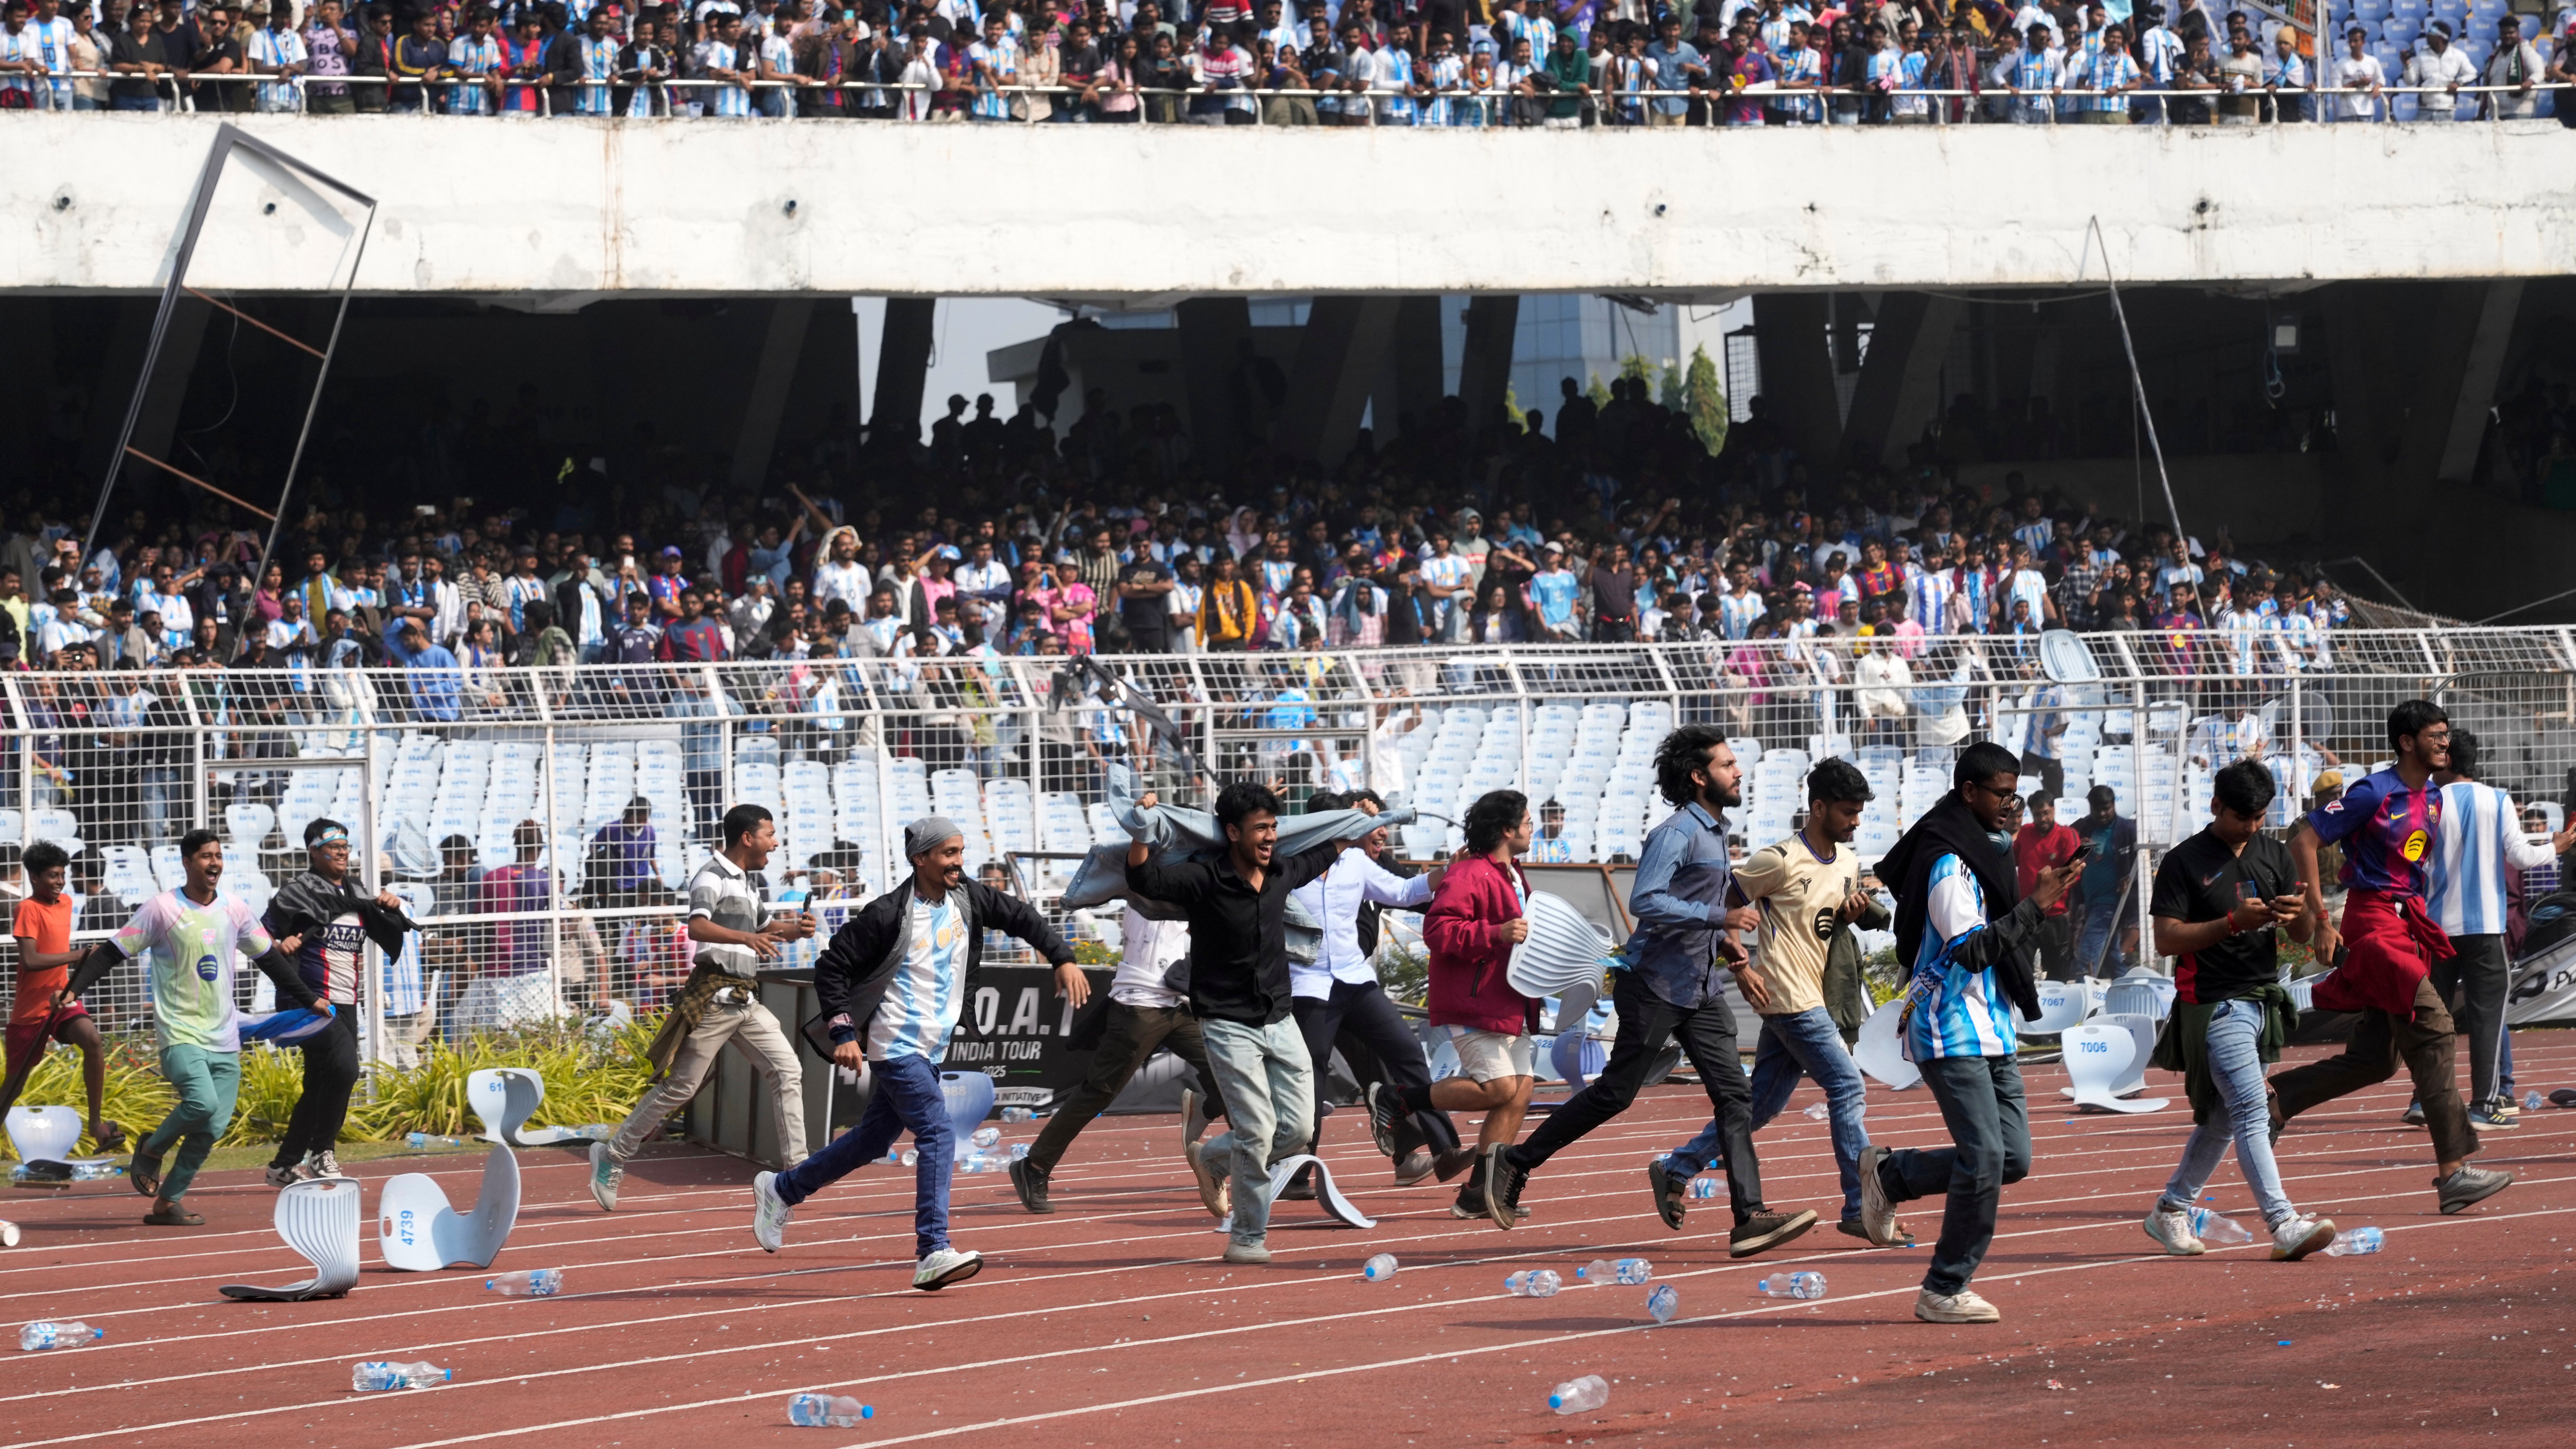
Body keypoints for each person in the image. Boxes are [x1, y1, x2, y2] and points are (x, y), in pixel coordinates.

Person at [1485, 726, 1818, 1256]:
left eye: (1735, 763)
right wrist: (1721, 916)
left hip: (1701, 988)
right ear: (1698, 775)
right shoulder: (1677, 832)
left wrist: (1726, 943)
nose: (1738, 772)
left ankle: (1749, 1216)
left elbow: (1704, 899)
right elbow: (1646, 899)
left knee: (1736, 1096)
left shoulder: (1715, 831)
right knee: (1616, 1094)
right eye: (1727, 764)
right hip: (1655, 986)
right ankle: (1515, 1161)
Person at [751, 816, 1075, 1289]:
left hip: (930, 1047)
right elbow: (832, 967)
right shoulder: (886, 914)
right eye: (948, 854)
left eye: (961, 852)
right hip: (894, 1044)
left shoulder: (969, 896)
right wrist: (844, 1032)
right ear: (919, 858)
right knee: (938, 1130)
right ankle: (933, 1250)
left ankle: (782, 1189)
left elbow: (1023, 916)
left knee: (873, 1139)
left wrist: (1062, 956)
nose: (959, 862)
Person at [1864, 741, 2077, 1323]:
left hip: (1993, 1027)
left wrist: (2039, 900)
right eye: (2003, 795)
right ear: (1969, 793)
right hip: (1948, 1025)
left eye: (2016, 793)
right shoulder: (1948, 864)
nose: (2014, 805)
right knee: (1984, 1157)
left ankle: (1890, 1174)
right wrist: (2037, 905)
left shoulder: (1991, 850)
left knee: (2013, 1159)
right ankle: (1943, 1286)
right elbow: (1974, 949)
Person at [2272, 701, 2512, 1215]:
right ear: (2407, 742)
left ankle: (2273, 1103)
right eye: (2436, 735)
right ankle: (2454, 1171)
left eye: (2448, 735)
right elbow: (2304, 840)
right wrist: (2321, 917)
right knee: (2436, 1025)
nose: (2446, 742)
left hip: (2407, 924)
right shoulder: (2373, 792)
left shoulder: (2435, 799)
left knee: (2376, 1059)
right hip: (2374, 923)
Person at [1657, 759, 1906, 1245]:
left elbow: (1824, 927)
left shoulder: (1850, 863)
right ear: (1818, 807)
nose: (1857, 821)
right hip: (1787, 994)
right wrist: (1740, 963)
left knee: (1763, 1104)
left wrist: (1853, 914)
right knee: (1848, 1087)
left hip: (1812, 993)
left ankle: (1676, 1166)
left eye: (1860, 812)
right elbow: (1725, 903)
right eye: (1848, 812)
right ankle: (1860, 1206)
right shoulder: (1780, 859)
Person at [1125, 782, 1360, 1264]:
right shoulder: (1204, 878)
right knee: (1257, 1130)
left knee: (1295, 1131)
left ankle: (1211, 1157)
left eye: (1274, 826)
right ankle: (1248, 1236)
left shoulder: (1283, 872)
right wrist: (1143, 826)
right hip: (1227, 1022)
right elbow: (1146, 880)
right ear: (1232, 832)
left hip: (1279, 1015)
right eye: (1260, 828)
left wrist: (1360, 820)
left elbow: (1328, 849)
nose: (1270, 836)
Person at [56, 830, 325, 1226]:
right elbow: (111, 953)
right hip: (180, 1034)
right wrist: (72, 991)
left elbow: (270, 959)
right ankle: (153, 1148)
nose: (214, 863)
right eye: (204, 856)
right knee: (202, 1103)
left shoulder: (235, 908)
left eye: (218, 856)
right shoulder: (161, 909)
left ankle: (168, 1201)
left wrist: (309, 999)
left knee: (212, 1127)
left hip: (226, 1037)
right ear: (186, 862)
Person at [2138, 761, 2337, 1262]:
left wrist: (2300, 917)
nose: (2251, 826)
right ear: (2215, 806)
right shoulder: (2185, 861)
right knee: (2251, 1108)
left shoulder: (2275, 854)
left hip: (2262, 1000)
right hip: (2211, 1005)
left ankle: (2171, 1207)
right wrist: (2229, 923)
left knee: (2225, 1119)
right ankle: (2284, 1222)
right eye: (2242, 817)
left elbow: (2299, 937)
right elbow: (2165, 938)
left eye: (2260, 817)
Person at [592, 804, 815, 1212]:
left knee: (788, 1070)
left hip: (746, 1000)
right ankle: (613, 1154)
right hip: (714, 1000)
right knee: (680, 1088)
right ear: (748, 838)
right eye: (770, 833)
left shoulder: (749, 883)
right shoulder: (710, 876)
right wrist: (744, 939)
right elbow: (697, 926)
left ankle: (797, 1170)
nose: (776, 841)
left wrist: (794, 929)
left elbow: (766, 930)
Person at [1366, 788, 1532, 1221]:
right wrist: (1495, 934)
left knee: (1520, 1092)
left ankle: (1479, 1191)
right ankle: (1400, 1097)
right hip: (1474, 999)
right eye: (1528, 820)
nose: (1533, 826)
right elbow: (1438, 931)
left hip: (1509, 999)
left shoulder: (1513, 873)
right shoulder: (1469, 874)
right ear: (1507, 829)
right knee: (1499, 1089)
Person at [1009, 904, 1230, 1217]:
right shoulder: (1142, 871)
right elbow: (1096, 883)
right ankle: (1034, 1166)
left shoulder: (1191, 874)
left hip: (1178, 1004)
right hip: (1138, 1007)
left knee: (1231, 1071)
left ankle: (1208, 1123)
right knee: (1099, 1091)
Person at [1289, 791, 1455, 1186]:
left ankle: (1445, 1150)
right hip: (1307, 986)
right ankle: (1295, 1174)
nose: (1363, 828)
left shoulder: (1358, 862)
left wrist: (1449, 871)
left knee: (1407, 1051)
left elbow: (1404, 892)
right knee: (1309, 1077)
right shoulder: (1289, 864)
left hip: (1356, 983)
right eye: (1351, 820)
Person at [2424, 728, 2576, 1126]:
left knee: (2431, 1018)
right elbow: (2521, 856)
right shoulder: (2497, 799)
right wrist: (2556, 847)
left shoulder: (2427, 801)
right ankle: (2486, 1102)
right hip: (2485, 927)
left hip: (2436, 927)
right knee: (2486, 1019)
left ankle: (2423, 1100)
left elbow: (2414, 863)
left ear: (2447, 760)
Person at [261, 818, 415, 1187]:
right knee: (347, 1069)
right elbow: (260, 933)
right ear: (314, 851)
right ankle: (322, 1152)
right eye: (334, 846)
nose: (343, 852)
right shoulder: (296, 893)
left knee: (319, 1084)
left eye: (346, 845)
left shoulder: (357, 890)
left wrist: (392, 907)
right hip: (311, 1002)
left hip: (347, 1004)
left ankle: (283, 1165)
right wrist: (280, 945)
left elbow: (385, 922)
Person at [6, 841, 123, 1152]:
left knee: (93, 1041)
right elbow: (30, 960)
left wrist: (79, 966)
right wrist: (80, 954)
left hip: (62, 999)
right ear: (34, 878)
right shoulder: (27, 909)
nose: (60, 882)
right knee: (13, 1087)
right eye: (53, 876)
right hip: (31, 1010)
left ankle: (97, 1125)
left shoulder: (67, 902)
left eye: (63, 875)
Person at [2013, 792, 2081, 981]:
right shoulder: (2026, 833)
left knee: (2057, 971)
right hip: (2027, 912)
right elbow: (2012, 860)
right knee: (2021, 970)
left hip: (2055, 915)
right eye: (2037, 815)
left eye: (2046, 813)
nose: (2042, 819)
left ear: (2054, 810)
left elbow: (2075, 872)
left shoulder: (2067, 835)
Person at [2069, 785, 2136, 977]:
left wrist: (2129, 881)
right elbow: (2071, 861)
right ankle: (2125, 991)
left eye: (2107, 808)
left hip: (2110, 903)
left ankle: (2086, 998)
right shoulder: (2082, 828)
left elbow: (2142, 864)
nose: (2103, 813)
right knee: (2111, 957)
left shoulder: (2127, 830)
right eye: (2097, 809)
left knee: (2086, 957)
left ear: (2114, 805)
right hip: (2088, 902)